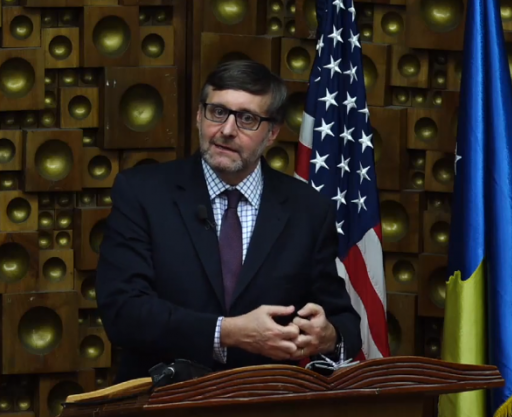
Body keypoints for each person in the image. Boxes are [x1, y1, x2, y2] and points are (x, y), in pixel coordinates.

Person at [95, 60, 361, 383]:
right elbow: (123, 313)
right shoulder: (142, 193)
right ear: (199, 115)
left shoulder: (308, 210)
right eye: (218, 112)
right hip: (163, 398)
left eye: (247, 118)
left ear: (273, 132)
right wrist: (228, 332)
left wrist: (329, 336)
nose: (227, 130)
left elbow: (345, 323)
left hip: (266, 399)